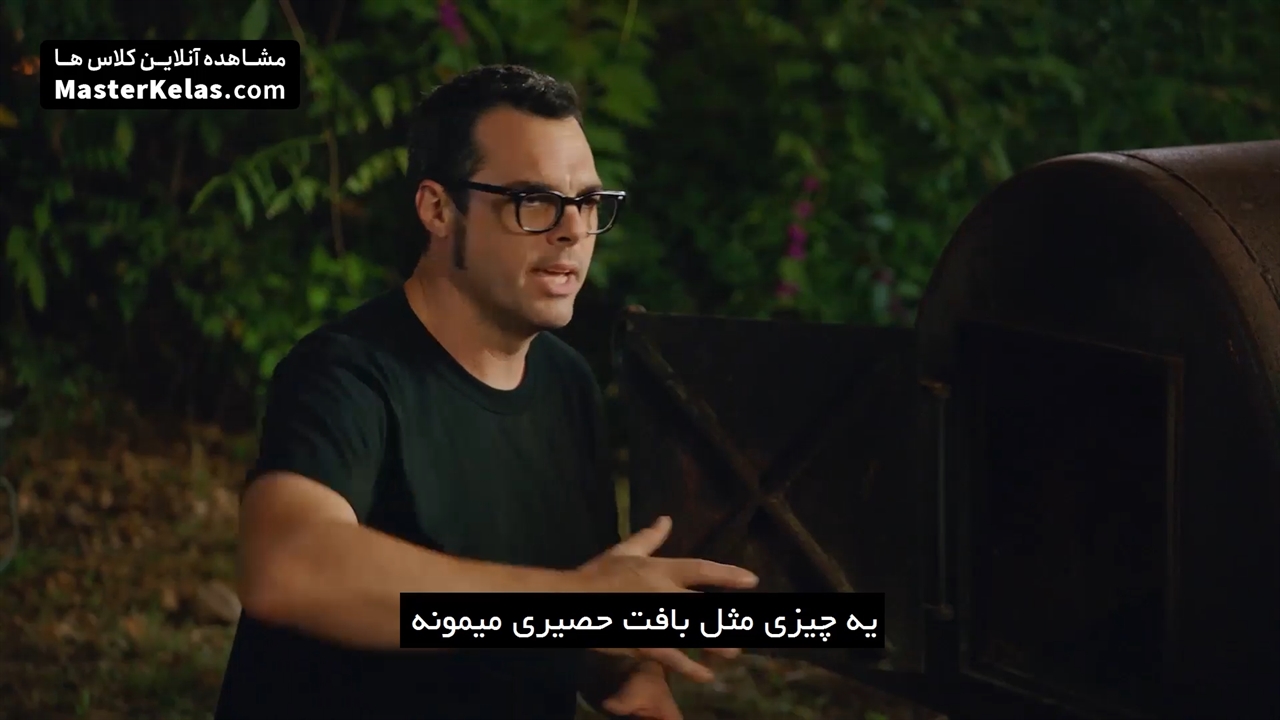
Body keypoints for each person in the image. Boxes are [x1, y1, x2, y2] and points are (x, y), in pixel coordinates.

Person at [212, 64, 760, 720]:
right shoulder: (345, 373)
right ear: (438, 209)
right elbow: (288, 569)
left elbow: (572, 606)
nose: (572, 230)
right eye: (534, 200)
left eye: (588, 202)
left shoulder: (568, 383)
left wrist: (631, 676)